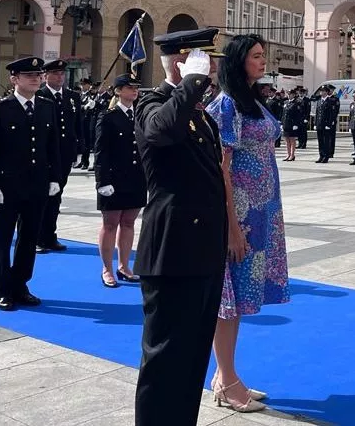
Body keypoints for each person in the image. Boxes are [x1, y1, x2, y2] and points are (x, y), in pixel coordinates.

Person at [133, 29, 228, 426]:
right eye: (205, 62)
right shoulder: (151, 103)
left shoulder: (199, 113)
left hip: (203, 250)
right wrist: (189, 83)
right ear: (180, 62)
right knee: (164, 359)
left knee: (192, 357)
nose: (213, 69)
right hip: (172, 252)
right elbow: (160, 132)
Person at [205, 34, 289, 413]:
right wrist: (232, 228)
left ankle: (226, 375)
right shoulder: (226, 105)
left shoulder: (251, 99)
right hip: (239, 212)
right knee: (229, 300)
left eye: (262, 55)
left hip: (261, 210)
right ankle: (227, 381)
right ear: (239, 60)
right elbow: (221, 168)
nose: (262, 61)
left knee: (239, 298)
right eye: (256, 56)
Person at [0, 57, 61, 311]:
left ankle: (20, 284)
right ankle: (2, 289)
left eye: (38, 75)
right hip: (7, 187)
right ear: (14, 79)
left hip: (37, 185)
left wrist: (54, 177)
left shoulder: (46, 107)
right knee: (1, 238)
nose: (36, 79)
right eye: (29, 75)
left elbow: (52, 146)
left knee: (29, 238)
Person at [94, 74, 148, 288]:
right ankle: (107, 268)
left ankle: (124, 266)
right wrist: (102, 181)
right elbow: (101, 151)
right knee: (110, 224)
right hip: (114, 179)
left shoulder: (140, 115)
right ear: (118, 91)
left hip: (136, 177)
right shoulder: (108, 117)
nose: (134, 90)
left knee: (128, 222)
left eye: (136, 87)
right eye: (129, 87)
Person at [35, 59, 83, 253]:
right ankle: (37, 237)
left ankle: (50, 236)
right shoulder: (39, 95)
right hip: (44, 155)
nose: (60, 77)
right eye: (55, 73)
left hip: (64, 155)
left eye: (62, 74)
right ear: (46, 76)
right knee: (41, 197)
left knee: (56, 196)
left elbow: (77, 124)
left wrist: (80, 148)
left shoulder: (72, 97)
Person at [76, 78, 97, 169]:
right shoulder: (81, 95)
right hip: (81, 121)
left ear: (88, 85)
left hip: (88, 121)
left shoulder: (91, 95)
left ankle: (86, 162)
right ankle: (82, 160)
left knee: (87, 142)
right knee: (81, 141)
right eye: (81, 84)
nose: (82, 86)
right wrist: (84, 106)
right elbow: (77, 106)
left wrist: (92, 105)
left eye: (84, 84)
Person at [315, 85, 339, 163]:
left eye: (323, 91)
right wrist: (315, 124)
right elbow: (317, 113)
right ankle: (321, 155)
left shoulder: (330, 101)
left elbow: (332, 114)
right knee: (320, 141)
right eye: (321, 91)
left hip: (326, 125)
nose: (321, 92)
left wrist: (329, 124)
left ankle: (326, 156)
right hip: (319, 124)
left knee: (326, 141)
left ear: (326, 92)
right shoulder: (319, 101)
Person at [281, 89, 303, 161]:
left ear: (293, 95)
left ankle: (292, 155)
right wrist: (282, 123)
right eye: (288, 94)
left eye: (290, 94)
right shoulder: (286, 102)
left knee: (292, 140)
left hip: (292, 124)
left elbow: (298, 115)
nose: (288, 95)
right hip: (286, 123)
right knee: (286, 140)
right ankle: (288, 154)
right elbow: (283, 114)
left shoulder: (296, 103)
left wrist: (296, 124)